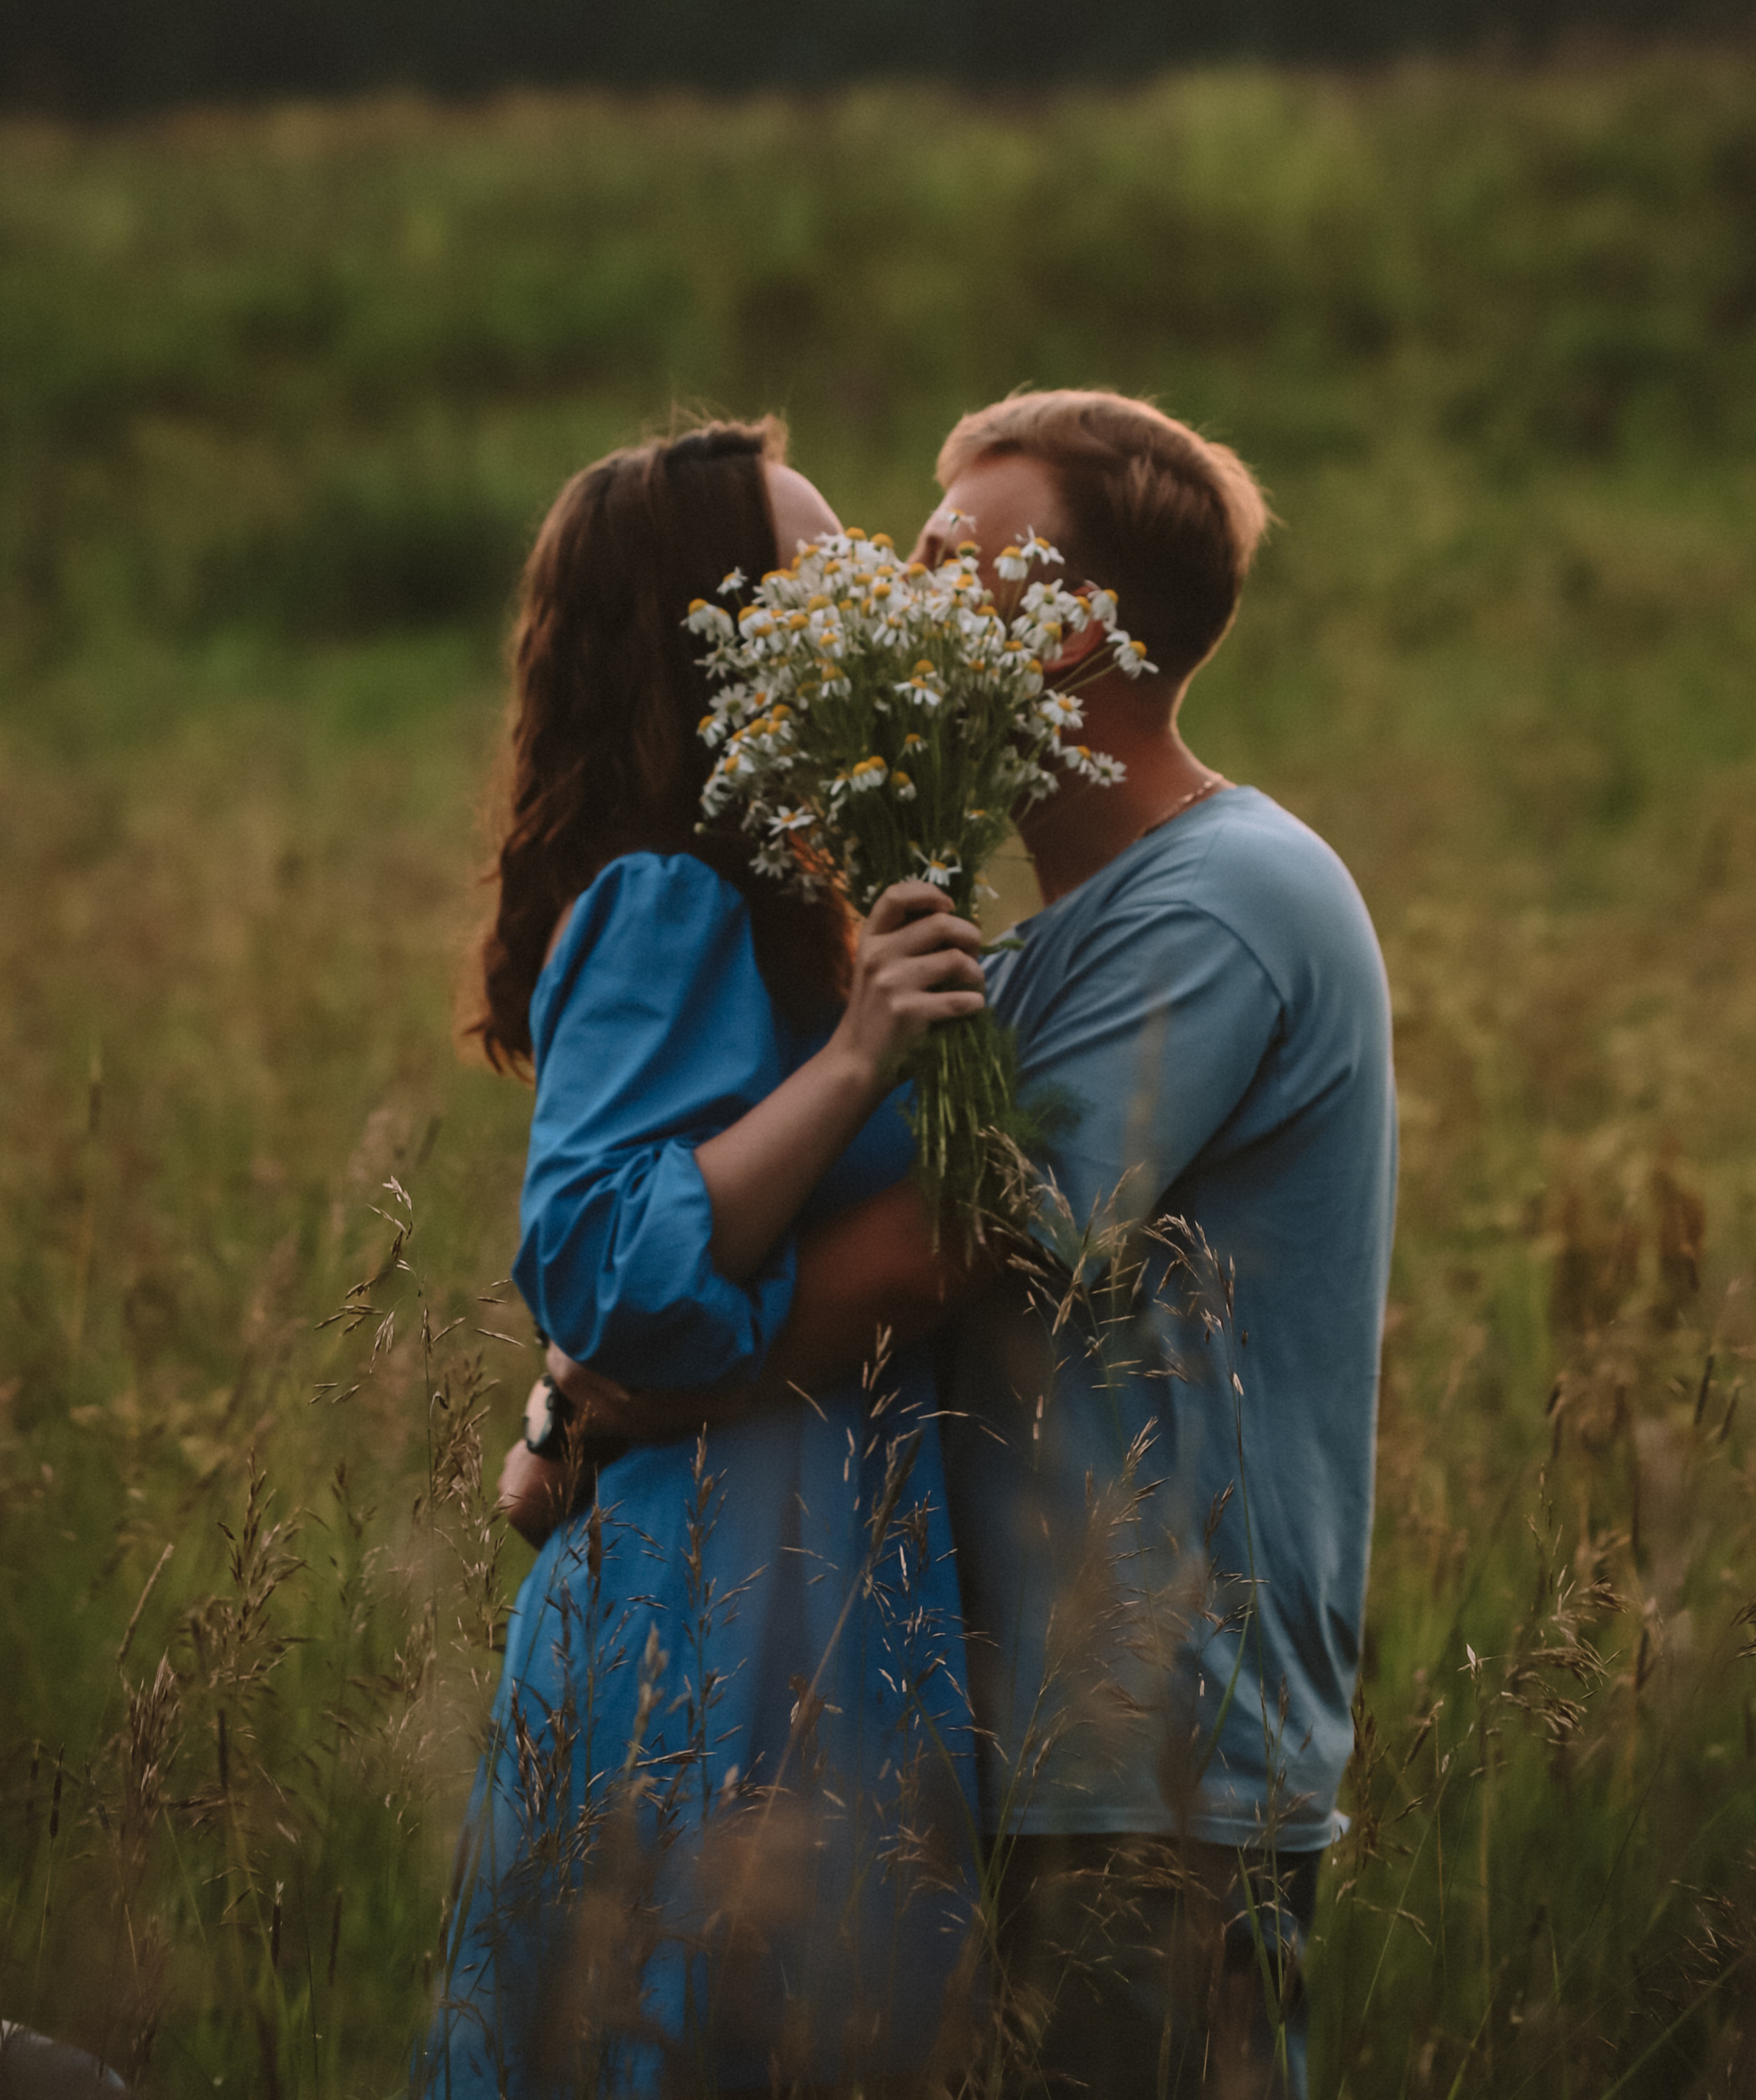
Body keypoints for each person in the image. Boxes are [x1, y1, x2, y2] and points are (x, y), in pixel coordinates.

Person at [537, 389, 1398, 2100]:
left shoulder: (1229, 898)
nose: (892, 598)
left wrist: (619, 1395)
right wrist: (576, 1383)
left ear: (1075, 631)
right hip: (971, 1736)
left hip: (1150, 1749)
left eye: (943, 562)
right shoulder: (1026, 950)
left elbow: (951, 1254)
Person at [425, 418, 986, 2100]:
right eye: (829, 569)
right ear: (718, 636)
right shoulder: (666, 894)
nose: (876, 588)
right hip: (720, 1585)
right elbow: (597, 1254)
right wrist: (854, 1063)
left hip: (819, 1558)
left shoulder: (785, 896)